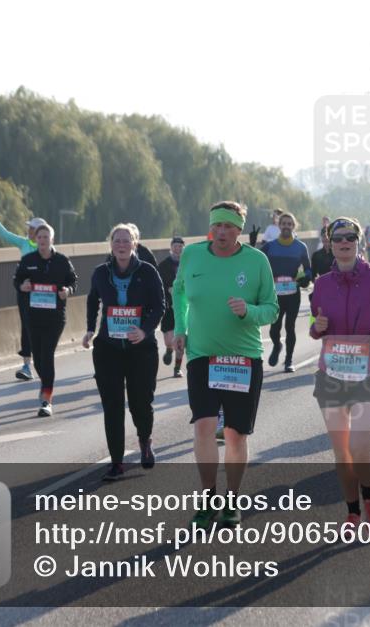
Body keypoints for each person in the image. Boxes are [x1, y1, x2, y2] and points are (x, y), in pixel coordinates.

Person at [173, 201, 279, 527]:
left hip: (242, 359)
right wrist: (180, 327)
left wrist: (249, 311)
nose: (221, 232)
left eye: (228, 227)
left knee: (235, 435)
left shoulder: (256, 261)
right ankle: (208, 499)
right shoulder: (192, 255)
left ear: (239, 230)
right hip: (202, 356)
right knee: (204, 427)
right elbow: (178, 291)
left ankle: (232, 499)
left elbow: (272, 309)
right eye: (217, 225)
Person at [310, 217, 370, 526]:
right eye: (338, 237)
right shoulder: (322, 284)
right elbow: (315, 325)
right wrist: (317, 327)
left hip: (368, 374)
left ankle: (369, 495)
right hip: (331, 377)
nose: (344, 242)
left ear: (359, 242)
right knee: (342, 453)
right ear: (330, 243)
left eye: (350, 237)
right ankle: (353, 511)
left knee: (360, 448)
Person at [84, 224, 165, 481]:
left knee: (141, 402)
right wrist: (90, 329)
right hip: (108, 349)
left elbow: (159, 306)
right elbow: (92, 300)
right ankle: (116, 462)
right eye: (117, 240)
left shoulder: (148, 271)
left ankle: (145, 440)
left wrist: (144, 330)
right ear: (111, 244)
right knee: (112, 406)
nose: (121, 245)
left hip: (141, 349)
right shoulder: (101, 273)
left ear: (135, 244)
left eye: (126, 240)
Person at [14, 223, 76, 417]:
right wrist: (22, 286)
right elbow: (17, 280)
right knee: (39, 359)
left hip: (55, 317)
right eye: (39, 237)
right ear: (35, 240)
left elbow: (73, 281)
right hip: (33, 317)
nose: (42, 240)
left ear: (52, 240)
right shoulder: (28, 260)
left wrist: (68, 291)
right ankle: (46, 384)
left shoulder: (62, 261)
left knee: (47, 355)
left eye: (46, 237)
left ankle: (46, 399)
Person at [0, 203, 46, 381]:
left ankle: (43, 361)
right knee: (26, 327)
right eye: (29, 228)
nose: (28, 230)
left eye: (31, 228)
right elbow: (5, 234)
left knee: (40, 328)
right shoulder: (23, 243)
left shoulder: (48, 249)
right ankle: (27, 366)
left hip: (43, 295)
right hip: (25, 293)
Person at [260, 212, 312, 373]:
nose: (286, 227)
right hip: (275, 294)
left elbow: (308, 269)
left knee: (290, 326)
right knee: (274, 329)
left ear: (294, 226)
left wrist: (305, 278)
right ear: (279, 225)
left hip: (292, 293)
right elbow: (257, 262)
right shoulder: (270, 246)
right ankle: (277, 345)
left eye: (290, 224)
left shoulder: (300, 247)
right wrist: (254, 244)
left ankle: (289, 360)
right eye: (284, 224)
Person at [158, 236, 186, 377]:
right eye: (175, 246)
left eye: (180, 246)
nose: (178, 249)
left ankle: (177, 368)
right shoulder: (163, 265)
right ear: (171, 247)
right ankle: (169, 349)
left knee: (181, 338)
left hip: (183, 306)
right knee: (169, 340)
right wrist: (168, 290)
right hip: (169, 307)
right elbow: (157, 284)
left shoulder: (188, 263)